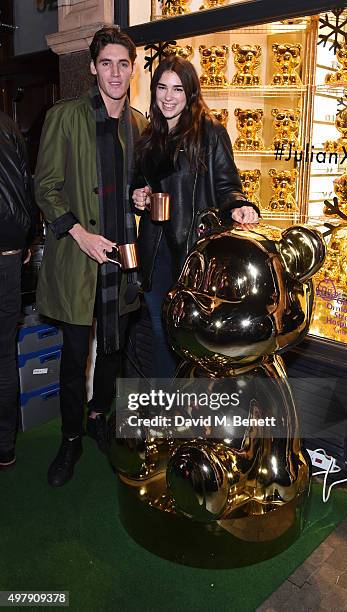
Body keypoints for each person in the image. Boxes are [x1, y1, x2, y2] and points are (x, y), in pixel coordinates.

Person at [35, 26, 147, 487]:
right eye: (107, 63)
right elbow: (45, 188)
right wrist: (78, 233)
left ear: (132, 70)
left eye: (124, 64)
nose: (115, 72)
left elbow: (138, 186)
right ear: (93, 69)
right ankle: (70, 438)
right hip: (79, 258)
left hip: (122, 260)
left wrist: (141, 197)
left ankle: (100, 418)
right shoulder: (64, 116)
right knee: (75, 353)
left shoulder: (138, 123)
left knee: (114, 352)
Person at [132, 56, 259, 377]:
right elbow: (139, 184)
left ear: (190, 93)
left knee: (194, 343)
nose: (168, 96)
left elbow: (229, 185)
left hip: (194, 259)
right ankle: (167, 417)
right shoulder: (150, 136)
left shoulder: (209, 133)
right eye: (162, 87)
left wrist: (239, 205)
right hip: (155, 253)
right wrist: (138, 195)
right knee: (162, 337)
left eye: (177, 88)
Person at [0, 110, 35, 470]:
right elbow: (29, 185)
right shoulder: (10, 125)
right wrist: (26, 240)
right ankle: (4, 447)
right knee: (4, 354)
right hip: (9, 252)